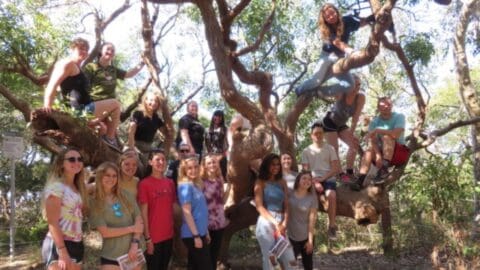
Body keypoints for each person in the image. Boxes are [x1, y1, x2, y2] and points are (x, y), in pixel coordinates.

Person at [43, 38, 122, 149]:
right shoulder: (67, 63)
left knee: (102, 129)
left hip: (84, 111)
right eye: (81, 48)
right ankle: (110, 139)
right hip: (80, 111)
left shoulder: (77, 67)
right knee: (116, 104)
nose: (84, 52)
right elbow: (53, 84)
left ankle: (97, 151)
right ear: (72, 49)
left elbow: (66, 88)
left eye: (86, 49)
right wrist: (47, 106)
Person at [295, 4, 372, 98]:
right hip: (327, 57)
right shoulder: (327, 30)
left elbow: (360, 23)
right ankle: (298, 90)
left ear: (336, 11)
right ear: (325, 20)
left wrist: (371, 19)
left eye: (332, 13)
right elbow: (338, 43)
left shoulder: (346, 21)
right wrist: (352, 52)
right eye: (327, 16)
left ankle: (318, 92)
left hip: (339, 58)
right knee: (315, 81)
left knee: (350, 85)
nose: (331, 17)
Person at [89, 162, 144, 270]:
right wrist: (131, 228)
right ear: (100, 176)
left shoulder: (126, 195)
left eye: (114, 176)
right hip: (110, 255)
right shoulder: (94, 202)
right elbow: (105, 232)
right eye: (107, 175)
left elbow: (139, 220)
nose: (111, 178)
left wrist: (134, 244)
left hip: (132, 252)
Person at [41, 148, 89, 270]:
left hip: (77, 243)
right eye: (71, 159)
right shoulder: (56, 188)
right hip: (59, 244)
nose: (76, 162)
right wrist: (62, 251)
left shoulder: (78, 189)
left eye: (79, 159)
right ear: (62, 164)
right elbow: (52, 223)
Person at [351, 97, 409, 190]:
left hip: (398, 153)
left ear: (392, 105)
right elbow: (370, 140)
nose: (386, 106)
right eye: (383, 105)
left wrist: (378, 130)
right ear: (378, 108)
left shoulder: (399, 116)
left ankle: (383, 170)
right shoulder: (374, 122)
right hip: (382, 156)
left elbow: (395, 134)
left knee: (387, 137)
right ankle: (360, 180)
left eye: (389, 104)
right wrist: (378, 155)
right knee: (369, 150)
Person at [254, 153, 296, 270]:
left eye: (278, 164)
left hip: (282, 221)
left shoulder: (282, 181)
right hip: (266, 222)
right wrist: (276, 223)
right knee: (270, 261)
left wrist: (284, 223)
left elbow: (287, 205)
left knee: (291, 259)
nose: (276, 167)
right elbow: (259, 206)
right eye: (273, 164)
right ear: (267, 165)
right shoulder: (260, 182)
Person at [137, 149, 177, 270]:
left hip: (169, 235)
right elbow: (143, 213)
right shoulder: (144, 184)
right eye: (157, 159)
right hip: (153, 237)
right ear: (150, 162)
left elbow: (172, 208)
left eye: (163, 159)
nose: (161, 162)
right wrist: (148, 239)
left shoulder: (170, 183)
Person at [322, 75, 365, 182]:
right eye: (354, 84)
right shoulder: (341, 93)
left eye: (359, 84)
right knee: (334, 148)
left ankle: (349, 172)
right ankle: (340, 174)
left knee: (354, 143)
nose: (357, 87)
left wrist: (351, 132)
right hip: (329, 122)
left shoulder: (360, 97)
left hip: (342, 124)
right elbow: (327, 92)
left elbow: (356, 117)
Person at [301, 122, 340, 240]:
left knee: (331, 195)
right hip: (312, 179)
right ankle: (306, 231)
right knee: (309, 198)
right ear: (311, 135)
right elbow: (305, 171)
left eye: (320, 133)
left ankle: (332, 226)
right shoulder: (306, 151)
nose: (318, 135)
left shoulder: (330, 148)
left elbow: (335, 168)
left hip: (328, 177)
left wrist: (322, 179)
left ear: (323, 134)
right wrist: (315, 182)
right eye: (315, 133)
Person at [177, 156, 213, 270]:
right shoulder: (185, 186)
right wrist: (196, 236)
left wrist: (205, 231)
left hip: (200, 232)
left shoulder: (196, 185)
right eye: (189, 168)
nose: (193, 170)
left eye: (196, 167)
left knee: (194, 266)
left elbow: (200, 210)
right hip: (192, 234)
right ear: (184, 170)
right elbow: (187, 212)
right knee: (206, 266)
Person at [200, 154, 228, 269]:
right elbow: (200, 206)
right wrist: (204, 227)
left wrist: (229, 187)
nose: (212, 164)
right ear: (205, 166)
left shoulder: (220, 180)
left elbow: (222, 201)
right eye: (209, 163)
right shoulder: (201, 182)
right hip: (206, 223)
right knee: (204, 257)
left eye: (214, 162)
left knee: (214, 255)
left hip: (219, 223)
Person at [287, 171, 318, 270]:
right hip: (290, 237)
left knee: (308, 266)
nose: (307, 181)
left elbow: (312, 220)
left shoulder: (312, 198)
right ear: (298, 180)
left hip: (306, 238)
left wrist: (310, 241)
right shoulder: (289, 194)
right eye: (304, 178)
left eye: (309, 179)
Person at [127, 92, 165, 171]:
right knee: (134, 166)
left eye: (156, 101)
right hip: (135, 145)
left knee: (146, 170)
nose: (153, 103)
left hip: (148, 149)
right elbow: (131, 131)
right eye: (151, 100)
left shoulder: (156, 118)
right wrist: (132, 149)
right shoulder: (138, 114)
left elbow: (167, 132)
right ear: (145, 101)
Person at [204, 110, 228, 179]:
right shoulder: (207, 130)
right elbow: (206, 145)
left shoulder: (225, 129)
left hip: (221, 156)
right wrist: (208, 156)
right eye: (216, 116)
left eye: (220, 117)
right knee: (209, 178)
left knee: (221, 178)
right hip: (209, 157)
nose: (217, 118)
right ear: (213, 117)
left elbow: (228, 144)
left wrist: (221, 156)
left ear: (222, 118)